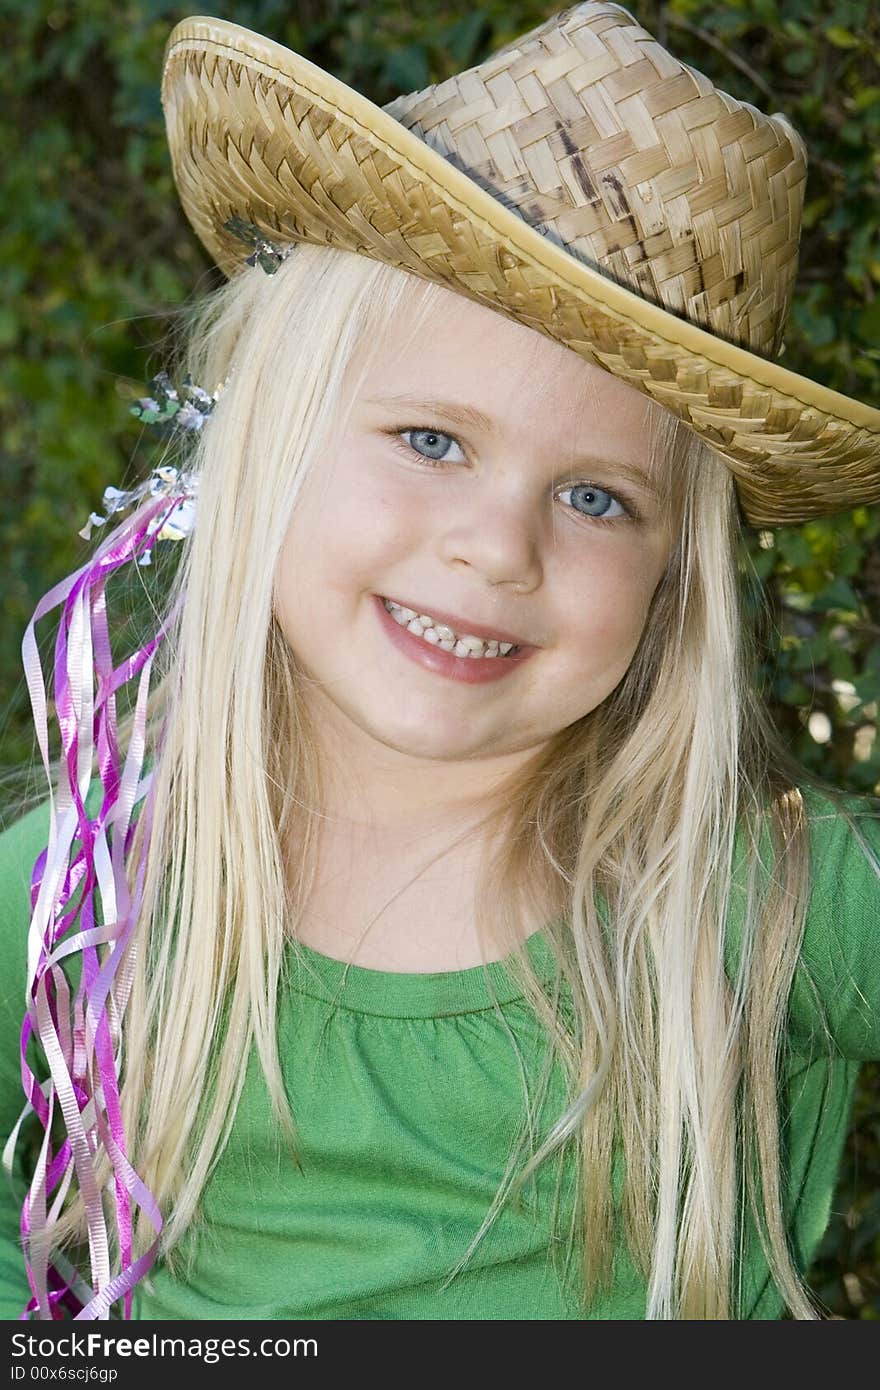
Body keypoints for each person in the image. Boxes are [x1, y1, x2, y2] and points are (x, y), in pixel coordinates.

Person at [1, 0, 879, 1322]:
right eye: (430, 440)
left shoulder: (759, 901)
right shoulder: (81, 892)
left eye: (596, 498)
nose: (495, 548)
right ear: (270, 444)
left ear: (671, 583)